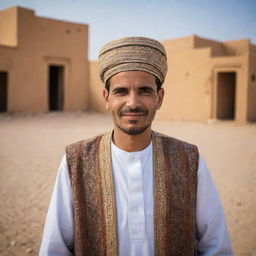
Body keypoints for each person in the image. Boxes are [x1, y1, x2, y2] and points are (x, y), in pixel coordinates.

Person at [39, 37, 233, 256]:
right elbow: (54, 249)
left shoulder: (189, 160)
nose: (132, 103)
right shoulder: (76, 161)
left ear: (159, 98)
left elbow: (216, 246)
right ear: (106, 97)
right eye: (121, 91)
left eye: (144, 91)